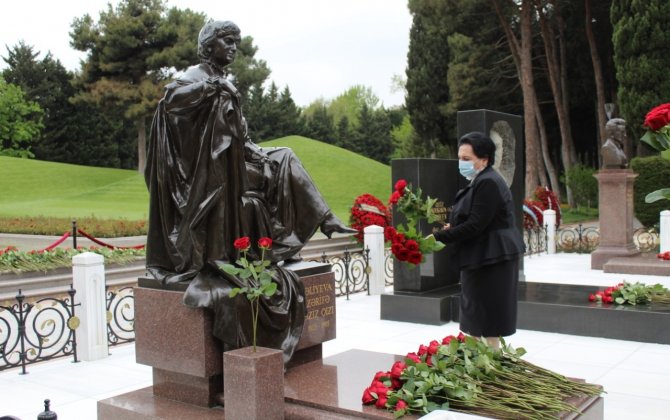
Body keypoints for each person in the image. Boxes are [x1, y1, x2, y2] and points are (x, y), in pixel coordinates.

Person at [144, 20, 353, 362]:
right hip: (210, 172)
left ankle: (324, 218)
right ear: (208, 44)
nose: (232, 49)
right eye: (226, 41)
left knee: (283, 155)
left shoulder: (223, 81)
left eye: (235, 44)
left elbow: (241, 138)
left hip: (235, 162)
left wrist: (256, 152)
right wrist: (214, 88)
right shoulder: (195, 77)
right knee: (278, 160)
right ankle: (321, 222)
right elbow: (171, 100)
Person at [433, 132, 524, 348]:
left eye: (467, 159)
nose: (461, 163)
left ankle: (488, 371)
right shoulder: (481, 180)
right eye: (459, 158)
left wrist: (438, 237)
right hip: (483, 257)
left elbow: (476, 225)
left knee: (487, 320)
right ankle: (481, 367)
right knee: (478, 318)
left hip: (492, 260)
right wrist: (453, 227)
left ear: (484, 160)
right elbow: (478, 218)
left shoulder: (488, 182)